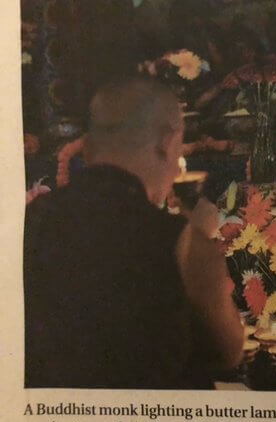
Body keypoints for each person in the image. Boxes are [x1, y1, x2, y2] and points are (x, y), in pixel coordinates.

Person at [24, 78, 244, 389]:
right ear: (167, 143)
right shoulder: (179, 240)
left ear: (86, 148)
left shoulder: (32, 219)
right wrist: (200, 239)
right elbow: (228, 354)